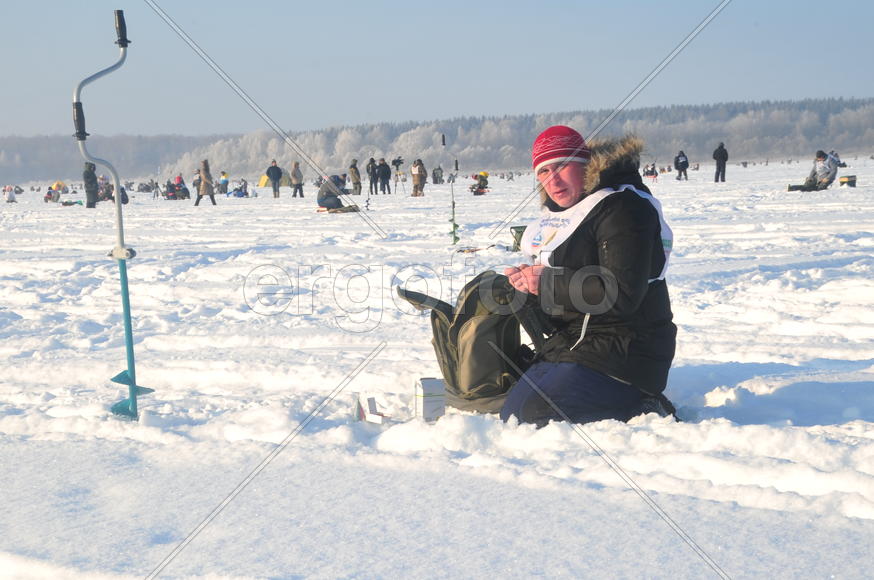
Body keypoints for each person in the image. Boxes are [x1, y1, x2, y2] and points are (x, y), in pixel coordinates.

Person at [501, 125, 676, 427]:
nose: (552, 180)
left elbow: (620, 294)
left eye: (562, 166)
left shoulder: (623, 207)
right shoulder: (563, 216)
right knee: (512, 412)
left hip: (629, 349)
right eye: (543, 172)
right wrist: (527, 287)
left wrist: (547, 282)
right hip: (576, 344)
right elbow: (566, 293)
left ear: (586, 163)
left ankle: (643, 404)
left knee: (535, 416)